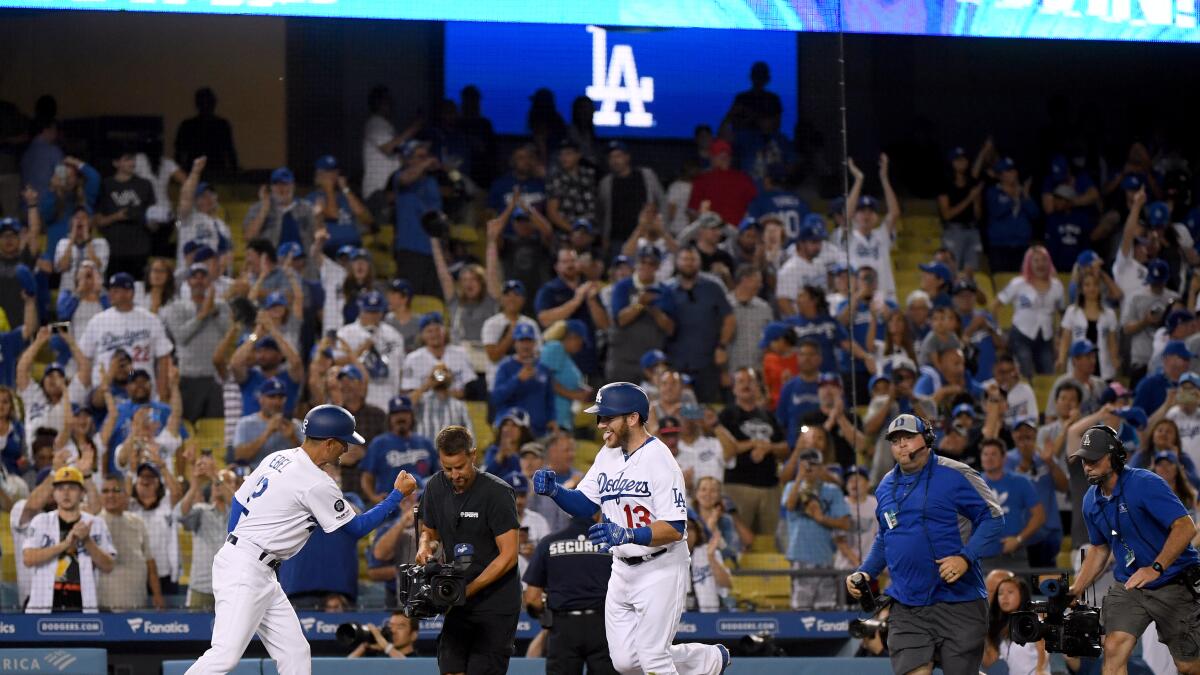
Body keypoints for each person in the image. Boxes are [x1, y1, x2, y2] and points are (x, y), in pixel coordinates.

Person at [185, 405, 418, 675]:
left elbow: (238, 503)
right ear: (329, 443)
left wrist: (240, 544)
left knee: (295, 652)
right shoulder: (316, 482)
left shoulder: (278, 457)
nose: (346, 449)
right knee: (225, 655)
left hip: (254, 565)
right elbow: (356, 528)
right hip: (246, 568)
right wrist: (396, 496)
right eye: (344, 442)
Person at [531, 382, 731, 675]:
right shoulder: (607, 454)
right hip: (622, 569)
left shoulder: (660, 460)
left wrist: (627, 534)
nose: (601, 425)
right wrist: (556, 492)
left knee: (653, 657)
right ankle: (707, 660)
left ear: (632, 418)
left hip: (661, 566)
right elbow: (586, 504)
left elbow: (676, 527)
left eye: (607, 417)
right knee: (625, 663)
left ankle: (698, 661)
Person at [846, 413, 1003, 675]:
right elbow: (886, 535)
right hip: (907, 605)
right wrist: (866, 571)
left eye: (908, 437)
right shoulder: (885, 486)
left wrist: (965, 558)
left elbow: (993, 518)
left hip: (959, 602)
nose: (902, 445)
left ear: (927, 439)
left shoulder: (956, 474)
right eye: (895, 440)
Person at [1068, 425, 1200, 675]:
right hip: (1130, 584)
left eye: (1094, 459)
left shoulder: (1145, 483)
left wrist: (1156, 568)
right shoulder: (1090, 500)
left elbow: (1185, 527)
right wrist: (1077, 588)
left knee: (1189, 666)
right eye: (1084, 459)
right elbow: (1099, 548)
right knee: (1114, 646)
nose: (1087, 466)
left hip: (1174, 580)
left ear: (1115, 457)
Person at [414, 425, 521, 675]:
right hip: (457, 599)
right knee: (450, 669)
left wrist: (467, 590)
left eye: (460, 467)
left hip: (496, 603)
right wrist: (425, 547)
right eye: (447, 467)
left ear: (473, 455)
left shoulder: (498, 493)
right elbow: (429, 531)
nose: (454, 474)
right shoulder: (435, 486)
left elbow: (508, 556)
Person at [523, 514, 619, 675]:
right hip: (605, 626)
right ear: (597, 512)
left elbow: (532, 599)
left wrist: (544, 613)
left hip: (563, 627)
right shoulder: (612, 544)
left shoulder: (549, 543)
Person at [22, 466, 116, 612]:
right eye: (60, 488)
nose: (65, 493)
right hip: (43, 607)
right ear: (53, 494)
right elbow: (28, 559)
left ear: (82, 493)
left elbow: (108, 566)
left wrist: (87, 541)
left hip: (82, 606)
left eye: (72, 488)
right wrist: (64, 545)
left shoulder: (96, 524)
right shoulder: (41, 521)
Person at [716, 368, 789, 538]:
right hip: (738, 487)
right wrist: (755, 443)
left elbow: (785, 448)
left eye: (750, 381)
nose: (746, 385)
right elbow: (726, 450)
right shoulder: (726, 415)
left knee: (773, 543)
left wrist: (769, 448)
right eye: (741, 381)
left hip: (770, 488)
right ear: (733, 388)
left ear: (757, 387)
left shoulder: (769, 416)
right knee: (740, 541)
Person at [79, 272, 174, 401]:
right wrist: (86, 387)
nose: (110, 294)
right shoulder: (98, 321)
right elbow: (85, 357)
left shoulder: (150, 320)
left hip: (141, 393)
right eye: (110, 290)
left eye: (116, 290)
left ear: (130, 293)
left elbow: (163, 358)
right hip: (104, 394)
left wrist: (162, 395)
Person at [782, 448, 851, 610]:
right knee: (801, 610)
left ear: (821, 467)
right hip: (800, 557)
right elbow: (790, 506)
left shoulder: (832, 491)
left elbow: (845, 523)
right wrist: (799, 477)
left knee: (826, 609)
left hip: (825, 557)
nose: (809, 468)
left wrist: (822, 519)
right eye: (805, 464)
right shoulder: (791, 487)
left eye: (813, 464)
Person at [97, 473, 163, 611]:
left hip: (138, 603)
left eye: (116, 490)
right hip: (107, 606)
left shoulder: (137, 522)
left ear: (126, 494)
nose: (110, 495)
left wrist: (157, 594)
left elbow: (150, 562)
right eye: (105, 491)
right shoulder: (95, 523)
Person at [179, 454, 237, 610]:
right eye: (216, 483)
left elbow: (240, 505)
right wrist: (194, 485)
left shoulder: (240, 516)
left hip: (231, 588)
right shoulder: (201, 511)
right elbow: (180, 515)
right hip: (201, 587)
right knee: (193, 633)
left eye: (226, 481)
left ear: (236, 488)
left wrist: (215, 475)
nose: (219, 484)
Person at [979, 437, 1045, 568]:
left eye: (993, 454)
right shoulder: (971, 484)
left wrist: (1019, 539)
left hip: (1015, 555)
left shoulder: (1021, 482)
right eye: (985, 454)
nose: (988, 458)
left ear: (1004, 458)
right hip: (982, 557)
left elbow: (1039, 516)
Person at [360, 395, 436, 505]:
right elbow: (366, 477)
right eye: (395, 414)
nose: (400, 417)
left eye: (404, 413)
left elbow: (437, 473)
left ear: (412, 416)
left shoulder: (425, 442)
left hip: (423, 504)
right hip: (391, 508)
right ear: (389, 418)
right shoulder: (379, 443)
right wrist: (373, 497)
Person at [983, 576, 1050, 675]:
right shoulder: (1001, 629)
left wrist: (1040, 669)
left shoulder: (1032, 620)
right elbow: (989, 662)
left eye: (1010, 592)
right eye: (1000, 593)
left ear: (1022, 595)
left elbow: (1043, 648)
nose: (1004, 597)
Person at [232, 378, 304, 469]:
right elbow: (239, 457)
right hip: (255, 476)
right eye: (272, 396)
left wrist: (292, 437)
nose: (276, 402)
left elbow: (308, 458)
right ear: (261, 399)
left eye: (280, 397)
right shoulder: (245, 423)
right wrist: (267, 433)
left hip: (287, 476)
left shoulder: (295, 425)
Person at [174, 87, 238, 177]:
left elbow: (179, 153)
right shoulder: (221, 125)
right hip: (210, 172)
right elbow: (230, 152)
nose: (206, 105)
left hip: (212, 172)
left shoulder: (188, 125)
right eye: (203, 102)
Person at [347, 612, 420, 659]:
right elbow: (344, 668)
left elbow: (407, 666)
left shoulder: (420, 662)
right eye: (391, 626)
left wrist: (384, 644)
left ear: (413, 635)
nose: (393, 631)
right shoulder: (380, 658)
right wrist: (365, 645)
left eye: (400, 627)